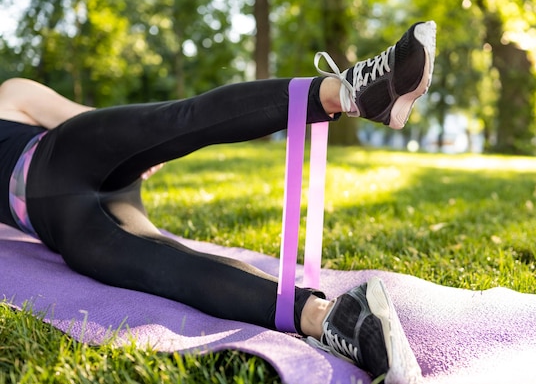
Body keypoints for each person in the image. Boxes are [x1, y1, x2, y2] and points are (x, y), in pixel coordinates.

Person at [0, 21, 436, 383]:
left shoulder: (10, 94)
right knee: (167, 269)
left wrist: (141, 146)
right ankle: (336, 319)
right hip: (66, 227)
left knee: (176, 120)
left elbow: (88, 121)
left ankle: (353, 92)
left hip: (69, 152)